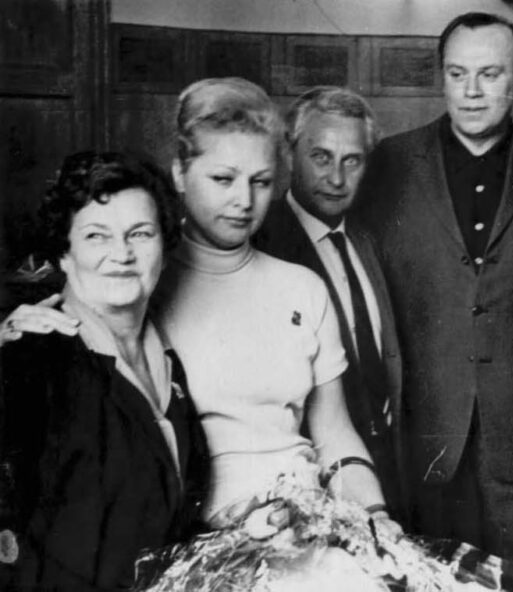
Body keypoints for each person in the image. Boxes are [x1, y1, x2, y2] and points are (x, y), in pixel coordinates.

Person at [0, 78, 395, 528]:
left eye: (261, 182)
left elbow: (335, 433)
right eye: (223, 179)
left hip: (304, 520)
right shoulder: (136, 283)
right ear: (179, 174)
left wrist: (376, 515)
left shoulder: (303, 287)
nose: (243, 201)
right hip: (191, 534)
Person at [354, 11, 513, 591]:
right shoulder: (387, 163)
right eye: (458, 73)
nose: (471, 91)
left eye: (490, 74)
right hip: (425, 441)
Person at [0, 151, 209, 590]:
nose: (122, 254)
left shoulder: (169, 360)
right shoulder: (29, 356)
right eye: (97, 236)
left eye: (141, 233)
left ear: (164, 248)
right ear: (64, 253)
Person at [253, 86, 404, 520]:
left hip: (385, 468)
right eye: (321, 157)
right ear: (289, 153)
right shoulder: (262, 243)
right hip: (306, 486)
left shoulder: (369, 236)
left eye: (351, 161)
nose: (336, 178)